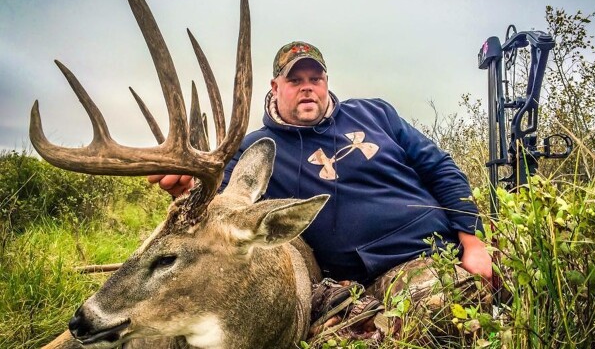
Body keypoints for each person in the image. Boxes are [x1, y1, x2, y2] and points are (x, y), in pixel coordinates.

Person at [149, 41, 493, 336]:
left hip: (439, 247)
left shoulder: (375, 114)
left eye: (315, 78)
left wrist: (473, 242)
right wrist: (187, 192)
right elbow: (224, 208)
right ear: (275, 86)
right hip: (374, 273)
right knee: (446, 309)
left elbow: (441, 168)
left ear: (326, 81)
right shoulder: (257, 149)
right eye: (295, 80)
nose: (307, 87)